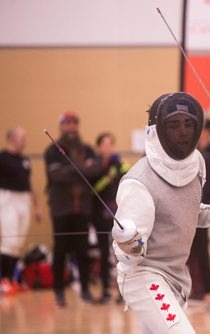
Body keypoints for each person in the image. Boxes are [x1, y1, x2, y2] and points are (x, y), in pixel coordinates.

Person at [111, 92, 210, 334]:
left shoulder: (197, 164)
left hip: (176, 277)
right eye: (173, 125)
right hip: (144, 277)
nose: (183, 132)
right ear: (157, 129)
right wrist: (129, 243)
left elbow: (186, 211)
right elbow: (125, 251)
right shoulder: (139, 182)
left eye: (188, 124)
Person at [44, 111, 101, 307]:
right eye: (67, 123)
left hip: (82, 209)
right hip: (61, 209)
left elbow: (96, 170)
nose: (71, 127)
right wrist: (81, 169)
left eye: (74, 123)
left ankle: (85, 289)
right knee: (60, 251)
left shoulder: (87, 149)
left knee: (83, 251)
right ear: (61, 126)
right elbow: (56, 176)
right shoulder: (52, 150)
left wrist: (70, 169)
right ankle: (59, 291)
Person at [187, 118, 210, 310]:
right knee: (185, 252)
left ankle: (208, 293)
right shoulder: (188, 154)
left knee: (203, 252)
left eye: (204, 130)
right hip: (187, 208)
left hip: (205, 209)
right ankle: (188, 290)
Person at [0, 127, 42, 294]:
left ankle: (13, 280)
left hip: (24, 201)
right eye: (21, 137)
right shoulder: (2, 158)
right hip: (7, 199)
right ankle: (3, 281)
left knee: (18, 242)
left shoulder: (24, 160)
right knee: (9, 241)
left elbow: (30, 183)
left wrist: (37, 206)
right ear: (11, 138)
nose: (25, 141)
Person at [91, 132, 129, 303]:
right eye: (104, 144)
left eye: (110, 144)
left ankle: (122, 292)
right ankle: (105, 291)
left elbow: (128, 177)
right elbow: (92, 188)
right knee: (103, 252)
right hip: (99, 214)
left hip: (117, 215)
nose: (108, 147)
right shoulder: (94, 165)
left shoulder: (119, 163)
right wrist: (106, 178)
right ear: (99, 147)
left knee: (119, 254)